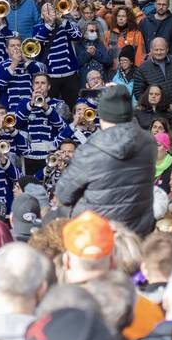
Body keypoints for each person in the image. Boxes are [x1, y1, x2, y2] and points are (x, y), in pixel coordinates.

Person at [56, 84, 156, 234]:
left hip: (97, 234)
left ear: (102, 115)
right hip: (137, 233)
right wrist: (119, 95)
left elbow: (64, 194)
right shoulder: (149, 143)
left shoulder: (91, 149)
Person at [133, 38, 172, 108]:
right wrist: (151, 106)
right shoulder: (143, 68)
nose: (159, 52)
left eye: (162, 49)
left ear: (167, 49)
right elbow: (137, 91)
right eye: (156, 50)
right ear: (151, 50)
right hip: (158, 110)